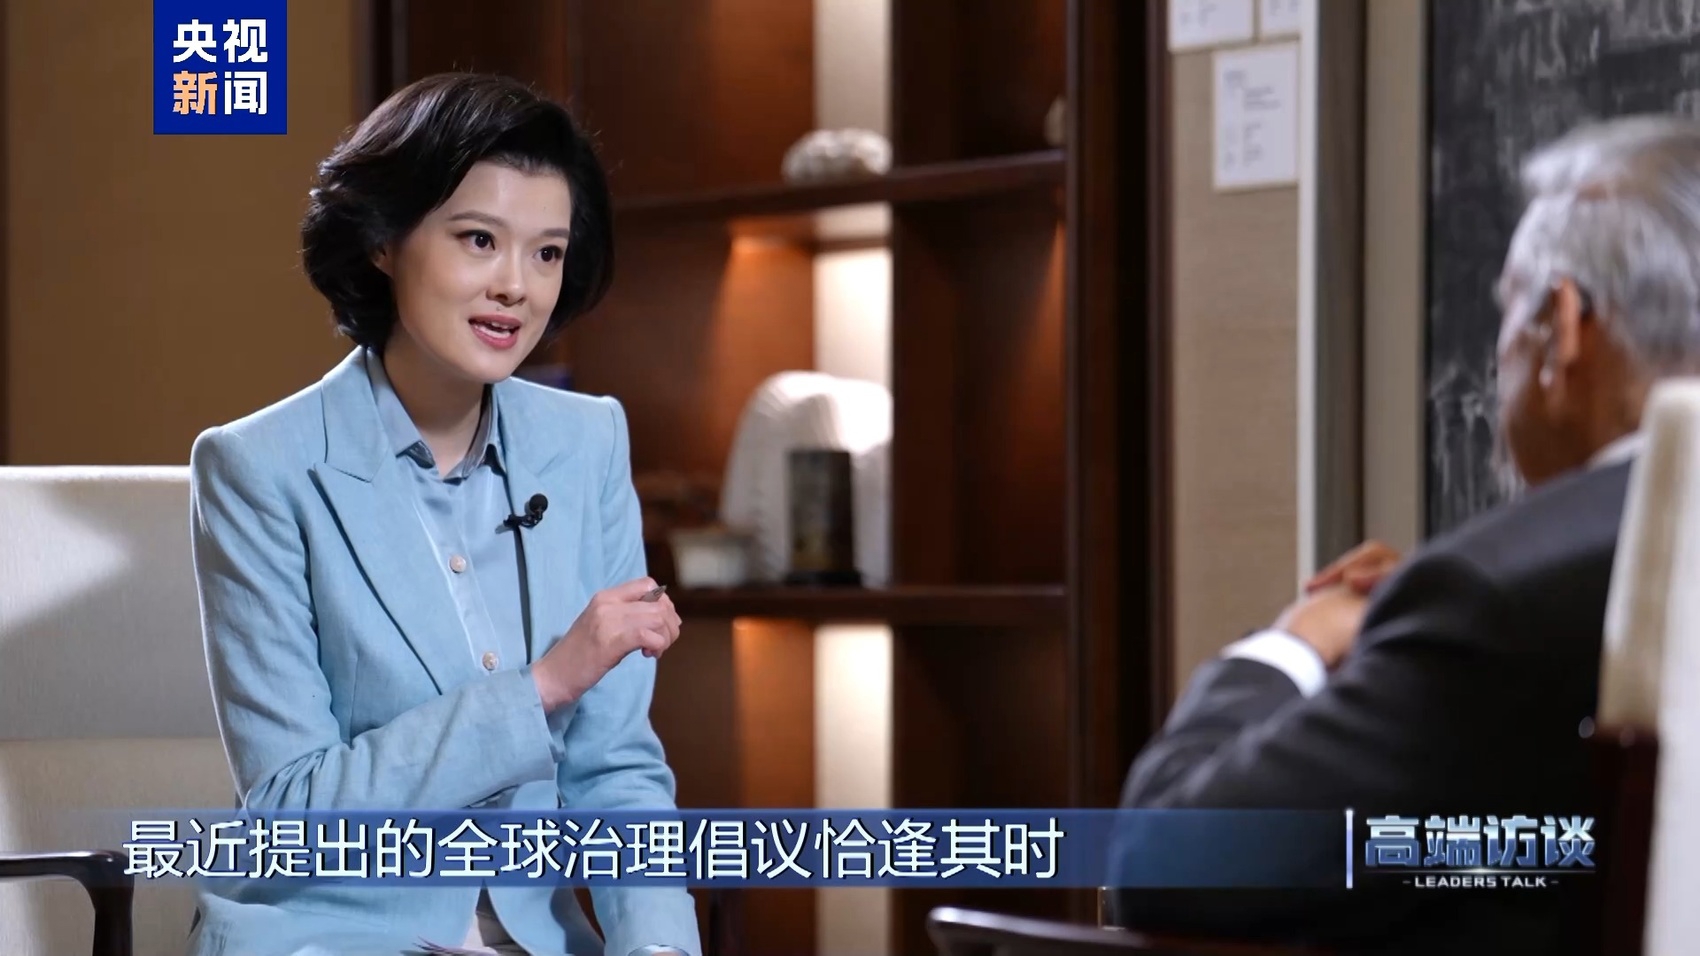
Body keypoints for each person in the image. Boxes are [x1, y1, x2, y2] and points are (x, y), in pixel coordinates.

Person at [1112, 114, 1700, 954]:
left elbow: (1168, 864)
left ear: (1562, 328)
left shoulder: (1496, 604)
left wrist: (1293, 646)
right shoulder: (1533, 590)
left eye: (1505, 311)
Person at [186, 73, 699, 956]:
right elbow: (288, 815)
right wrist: (540, 689)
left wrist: (656, 948)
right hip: (330, 935)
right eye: (478, 240)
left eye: (548, 253)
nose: (516, 287)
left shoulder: (588, 443)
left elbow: (616, 768)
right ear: (384, 240)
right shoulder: (257, 467)